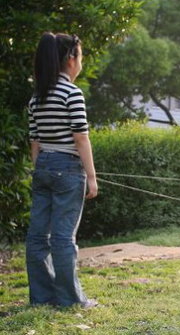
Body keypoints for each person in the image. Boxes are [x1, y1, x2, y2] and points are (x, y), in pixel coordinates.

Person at [26, 32, 98, 307]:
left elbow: (35, 140)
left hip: (43, 166)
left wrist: (41, 169)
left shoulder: (37, 96)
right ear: (70, 59)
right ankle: (70, 300)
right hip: (68, 168)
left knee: (37, 236)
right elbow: (81, 137)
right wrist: (91, 177)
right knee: (63, 238)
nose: (80, 63)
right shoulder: (71, 93)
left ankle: (42, 298)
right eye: (80, 57)